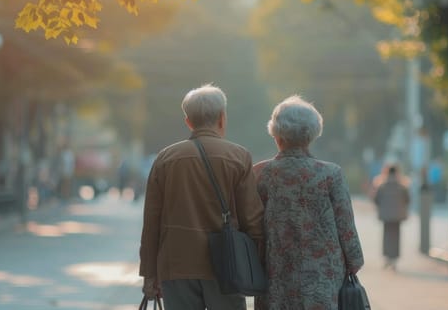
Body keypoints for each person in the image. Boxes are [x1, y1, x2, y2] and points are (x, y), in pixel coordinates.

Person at [139, 84, 264, 309]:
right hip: (227, 266)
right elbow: (252, 219)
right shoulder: (238, 157)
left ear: (188, 121)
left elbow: (151, 222)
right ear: (222, 118)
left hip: (176, 264)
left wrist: (149, 274)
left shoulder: (166, 158)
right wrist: (261, 265)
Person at [253, 95, 364, 310]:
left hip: (275, 276)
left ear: (276, 135)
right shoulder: (331, 174)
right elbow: (346, 227)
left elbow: (251, 224)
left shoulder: (260, 174)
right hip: (323, 279)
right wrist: (354, 261)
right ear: (312, 135)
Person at [373, 164, 410, 270]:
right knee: (396, 237)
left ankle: (387, 258)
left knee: (386, 236)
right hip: (398, 215)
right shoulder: (402, 186)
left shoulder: (382, 185)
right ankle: (394, 259)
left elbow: (376, 200)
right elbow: (407, 199)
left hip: (386, 215)